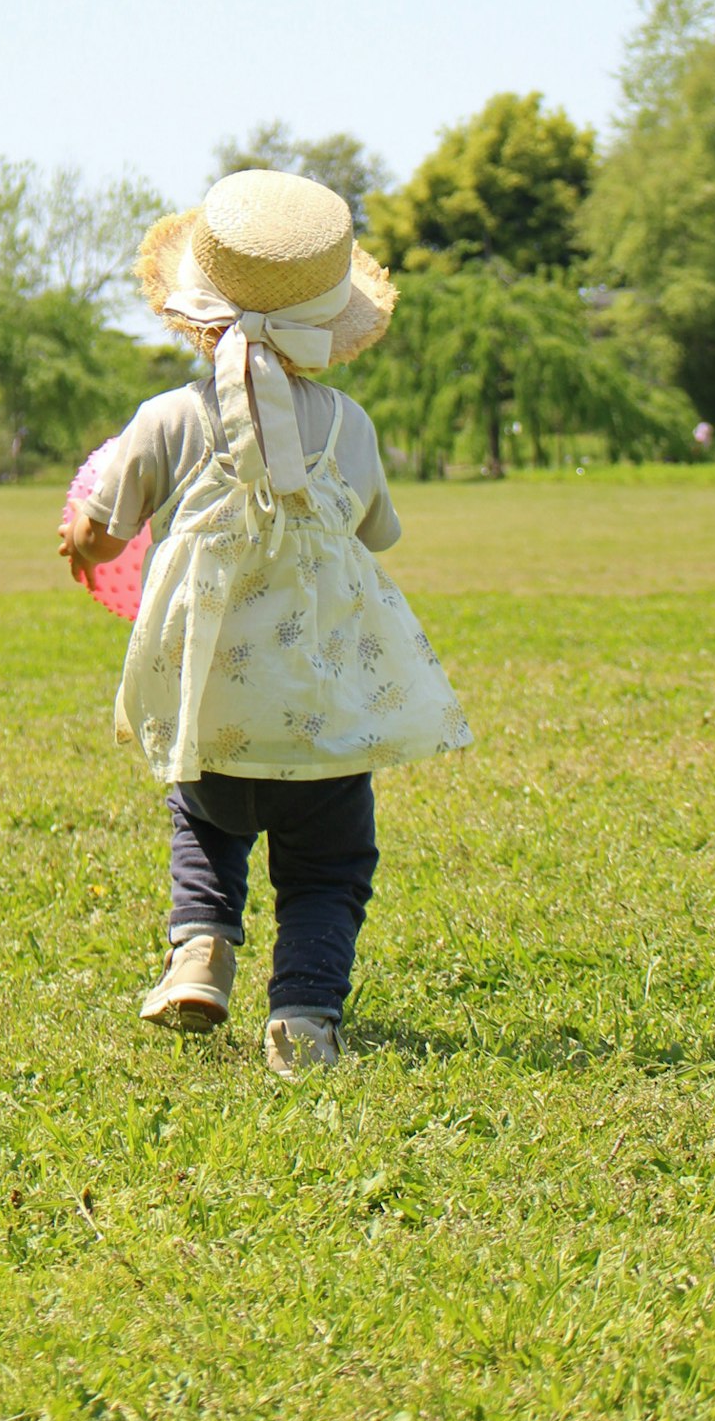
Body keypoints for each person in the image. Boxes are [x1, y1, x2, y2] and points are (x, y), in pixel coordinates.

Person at [59, 169, 472, 1077]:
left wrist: (82, 542)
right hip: (324, 708)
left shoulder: (167, 419)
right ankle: (304, 1017)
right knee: (326, 868)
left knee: (207, 832)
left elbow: (102, 529)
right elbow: (375, 532)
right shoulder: (349, 425)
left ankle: (200, 956)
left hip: (212, 703)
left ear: (196, 311)